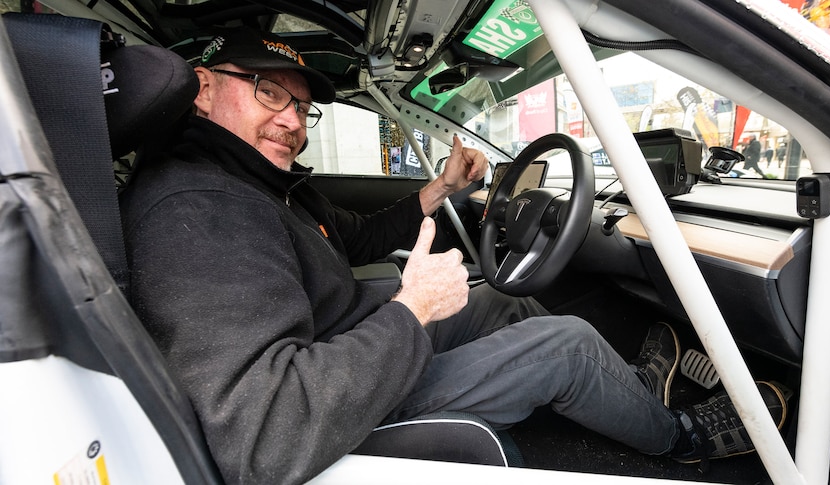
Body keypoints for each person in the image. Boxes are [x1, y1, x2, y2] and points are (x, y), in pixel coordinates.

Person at [120, 28, 787, 484]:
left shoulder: (259, 185)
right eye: (268, 92)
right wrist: (411, 312)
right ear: (202, 87)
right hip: (347, 411)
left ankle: (632, 394)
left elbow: (350, 239)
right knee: (565, 343)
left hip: (351, 350)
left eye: (299, 105)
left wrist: (438, 192)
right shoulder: (197, 212)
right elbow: (264, 432)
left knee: (501, 298)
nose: (292, 120)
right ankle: (680, 438)